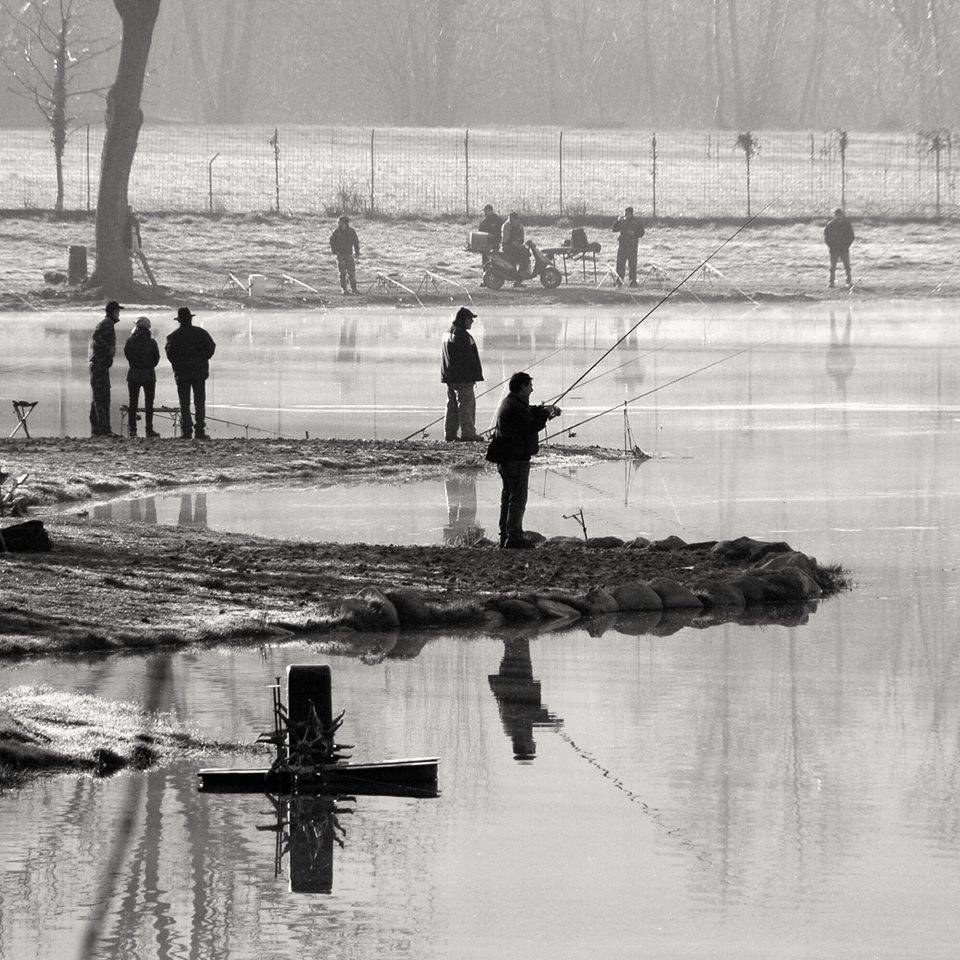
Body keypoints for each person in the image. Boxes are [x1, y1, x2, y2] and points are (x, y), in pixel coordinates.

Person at [486, 372, 561, 548]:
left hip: (508, 458)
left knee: (508, 498)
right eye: (530, 386)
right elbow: (530, 425)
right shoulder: (515, 406)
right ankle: (514, 538)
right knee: (518, 499)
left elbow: (528, 412)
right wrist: (545, 415)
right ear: (522, 387)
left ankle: (506, 535)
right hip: (515, 459)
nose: (532, 389)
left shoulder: (511, 402)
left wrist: (543, 410)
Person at [165, 307, 216, 440]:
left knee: (184, 403)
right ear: (191, 319)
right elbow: (211, 348)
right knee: (199, 402)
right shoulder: (202, 333)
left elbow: (170, 354)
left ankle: (186, 431)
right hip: (199, 372)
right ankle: (200, 431)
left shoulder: (173, 336)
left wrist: (178, 364)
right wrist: (203, 358)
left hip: (182, 374)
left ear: (179, 321)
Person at [441, 306, 484, 441]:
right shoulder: (461, 335)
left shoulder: (448, 332)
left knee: (452, 406)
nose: (472, 321)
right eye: (470, 319)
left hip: (450, 377)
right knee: (466, 405)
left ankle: (450, 434)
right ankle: (469, 434)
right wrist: (472, 377)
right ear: (464, 319)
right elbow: (467, 359)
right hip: (463, 379)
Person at [89, 300, 123, 437]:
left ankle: (96, 428)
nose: (119, 314)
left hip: (98, 365)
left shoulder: (105, 323)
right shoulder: (107, 324)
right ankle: (104, 429)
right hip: (99, 365)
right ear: (114, 312)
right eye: (118, 311)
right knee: (103, 397)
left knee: (97, 397)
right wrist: (109, 350)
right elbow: (97, 338)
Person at [124, 316, 161, 438]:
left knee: (132, 403)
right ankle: (149, 430)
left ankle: (132, 430)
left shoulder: (130, 341)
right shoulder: (152, 342)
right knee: (149, 403)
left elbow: (127, 355)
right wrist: (149, 365)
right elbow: (156, 359)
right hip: (149, 374)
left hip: (133, 374)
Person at [123, 204, 157, 286]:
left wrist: (133, 246)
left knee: (132, 256)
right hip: (131, 242)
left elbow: (134, 235)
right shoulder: (131, 220)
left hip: (132, 241)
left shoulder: (131, 221)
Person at [612, 206, 645, 287]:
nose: (626, 214)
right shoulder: (622, 221)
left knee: (632, 264)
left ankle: (632, 281)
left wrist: (634, 234)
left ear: (631, 213)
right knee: (620, 263)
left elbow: (641, 233)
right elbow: (614, 229)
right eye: (625, 213)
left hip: (632, 245)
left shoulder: (637, 222)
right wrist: (617, 221)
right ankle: (619, 280)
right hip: (623, 244)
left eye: (627, 213)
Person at [329, 215, 360, 295]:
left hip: (349, 255)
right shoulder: (336, 232)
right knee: (342, 273)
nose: (339, 224)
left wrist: (357, 253)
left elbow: (356, 243)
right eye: (339, 222)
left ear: (345, 223)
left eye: (340, 222)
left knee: (351, 273)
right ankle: (344, 290)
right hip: (340, 255)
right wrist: (335, 251)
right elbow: (331, 242)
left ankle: (354, 290)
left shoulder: (351, 232)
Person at [824, 208, 854, 288]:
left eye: (839, 214)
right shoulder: (830, 225)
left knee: (847, 266)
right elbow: (826, 237)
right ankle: (831, 282)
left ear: (842, 215)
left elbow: (851, 236)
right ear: (834, 215)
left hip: (844, 248)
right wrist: (831, 246)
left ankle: (848, 281)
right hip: (834, 249)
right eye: (836, 215)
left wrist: (847, 245)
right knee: (832, 267)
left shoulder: (846, 224)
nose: (838, 216)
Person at [500, 211, 530, 281]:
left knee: (526, 256)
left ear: (517, 219)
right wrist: (513, 243)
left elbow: (522, 239)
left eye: (513, 219)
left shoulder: (520, 226)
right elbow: (505, 240)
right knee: (514, 258)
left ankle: (520, 275)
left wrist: (519, 243)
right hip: (507, 247)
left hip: (517, 246)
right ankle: (517, 278)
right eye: (509, 219)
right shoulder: (506, 226)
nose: (511, 221)